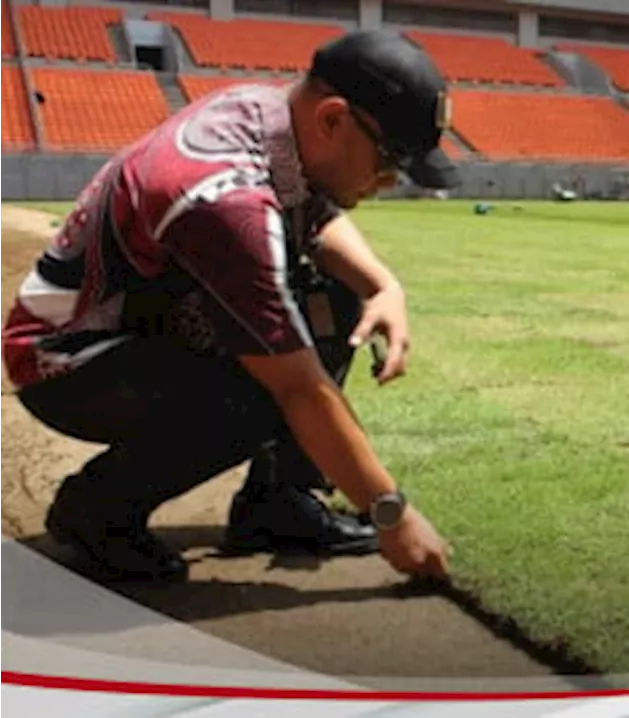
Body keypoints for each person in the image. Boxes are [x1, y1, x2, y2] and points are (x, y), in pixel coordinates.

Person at [0, 29, 456, 583]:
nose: (391, 181)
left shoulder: (269, 111)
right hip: (64, 362)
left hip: (142, 323)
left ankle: (278, 505)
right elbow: (299, 387)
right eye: (391, 159)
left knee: (333, 297)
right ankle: (97, 510)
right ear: (333, 119)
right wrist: (392, 515)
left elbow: (313, 213)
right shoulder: (224, 204)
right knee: (267, 388)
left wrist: (385, 288)